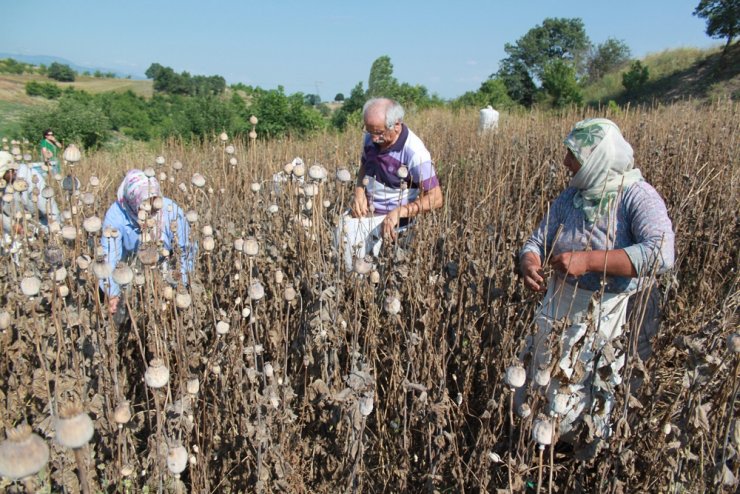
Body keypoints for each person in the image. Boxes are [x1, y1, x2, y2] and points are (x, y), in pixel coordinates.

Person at [518, 118, 674, 450]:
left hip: (622, 309)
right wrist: (528, 262)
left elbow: (660, 255)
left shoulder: (638, 196)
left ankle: (591, 456)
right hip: (566, 306)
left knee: (605, 387)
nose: (566, 163)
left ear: (599, 158)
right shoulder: (570, 198)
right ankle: (554, 448)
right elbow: (536, 242)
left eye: (574, 156)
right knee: (557, 383)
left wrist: (588, 260)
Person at [336, 98, 443, 271]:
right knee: (345, 256)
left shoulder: (415, 153)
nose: (373, 138)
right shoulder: (371, 137)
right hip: (365, 216)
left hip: (394, 224)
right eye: (368, 131)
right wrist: (359, 192)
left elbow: (436, 198)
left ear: (397, 125)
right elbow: (364, 165)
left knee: (377, 273)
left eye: (378, 132)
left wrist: (399, 212)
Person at [100, 169, 195, 315]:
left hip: (166, 261)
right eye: (144, 204)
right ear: (133, 202)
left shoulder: (172, 212)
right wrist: (113, 293)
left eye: (153, 202)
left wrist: (181, 285)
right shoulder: (116, 215)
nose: (150, 210)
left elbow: (186, 251)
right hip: (130, 263)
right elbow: (109, 257)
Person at [0, 150, 60, 238]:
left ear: (12, 170)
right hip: (14, 230)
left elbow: (50, 210)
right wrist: (16, 228)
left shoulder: (30, 176)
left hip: (40, 224)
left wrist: (53, 231)